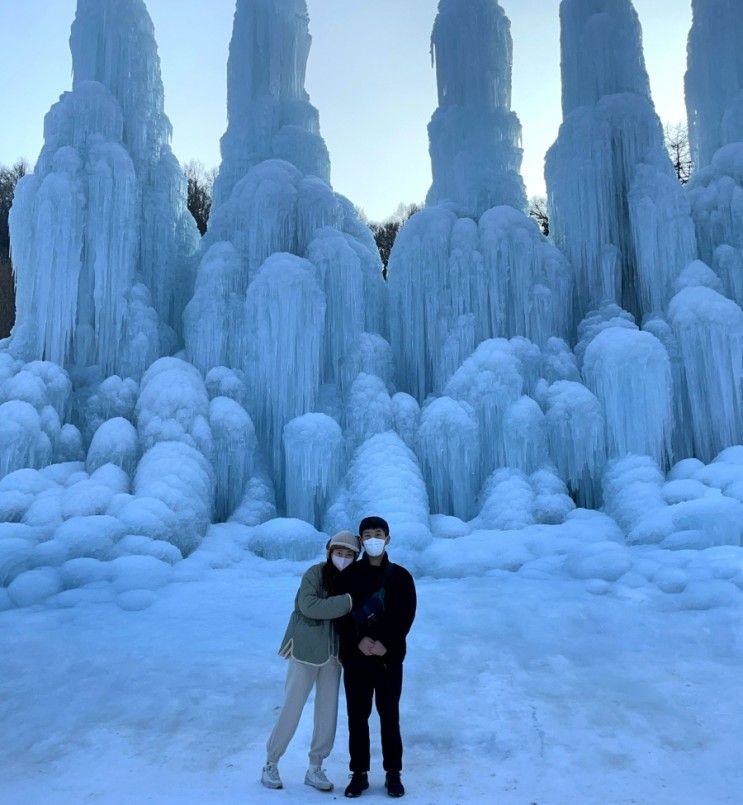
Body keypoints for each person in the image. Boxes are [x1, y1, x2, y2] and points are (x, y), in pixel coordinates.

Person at [261, 531, 360, 792]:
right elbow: (309, 606)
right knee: (292, 706)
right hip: (305, 650)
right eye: (339, 553)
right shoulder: (314, 574)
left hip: (334, 654)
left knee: (327, 713)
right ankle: (271, 762)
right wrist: (348, 601)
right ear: (329, 552)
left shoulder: (354, 579)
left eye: (349, 554)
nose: (343, 558)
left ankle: (315, 767)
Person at [335, 516, 417, 799]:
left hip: (388, 659)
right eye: (367, 534)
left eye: (378, 534)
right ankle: (359, 774)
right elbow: (340, 615)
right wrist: (358, 640)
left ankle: (393, 773)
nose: (373, 539)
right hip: (356, 658)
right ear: (360, 540)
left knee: (389, 716)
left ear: (388, 539)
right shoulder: (348, 576)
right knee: (357, 716)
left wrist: (387, 644)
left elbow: (406, 616)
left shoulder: (401, 576)